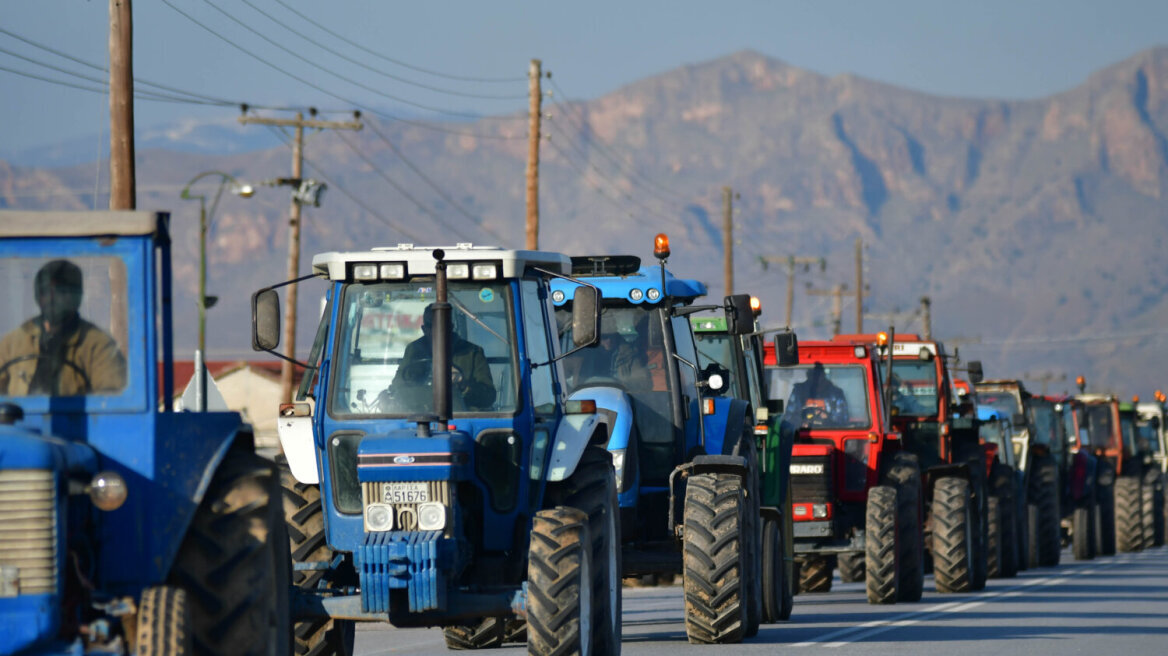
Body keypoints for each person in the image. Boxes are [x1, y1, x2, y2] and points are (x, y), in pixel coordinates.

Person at [0, 259, 127, 396]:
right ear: (38, 296)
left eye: (62, 292)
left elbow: (111, 402)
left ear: (77, 297)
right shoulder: (13, 343)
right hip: (23, 418)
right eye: (46, 292)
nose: (53, 299)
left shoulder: (98, 346)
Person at [389, 304, 496, 410]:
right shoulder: (414, 350)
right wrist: (414, 376)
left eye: (443, 326)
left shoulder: (472, 352)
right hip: (419, 416)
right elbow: (397, 387)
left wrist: (463, 384)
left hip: (461, 417)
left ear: (451, 327)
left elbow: (489, 397)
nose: (439, 332)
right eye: (432, 326)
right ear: (424, 329)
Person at [785, 362, 849, 428]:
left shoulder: (836, 394)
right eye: (813, 376)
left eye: (818, 376)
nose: (815, 380)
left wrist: (828, 419)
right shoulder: (798, 391)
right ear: (808, 376)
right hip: (803, 434)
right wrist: (802, 421)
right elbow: (789, 417)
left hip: (828, 433)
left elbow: (843, 419)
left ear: (823, 375)